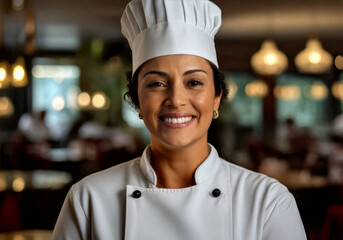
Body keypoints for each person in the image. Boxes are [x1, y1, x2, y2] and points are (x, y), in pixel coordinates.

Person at [52, 0, 307, 239]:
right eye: (157, 83)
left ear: (216, 97)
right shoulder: (89, 200)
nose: (176, 99)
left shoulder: (267, 202)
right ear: (137, 100)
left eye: (194, 82)